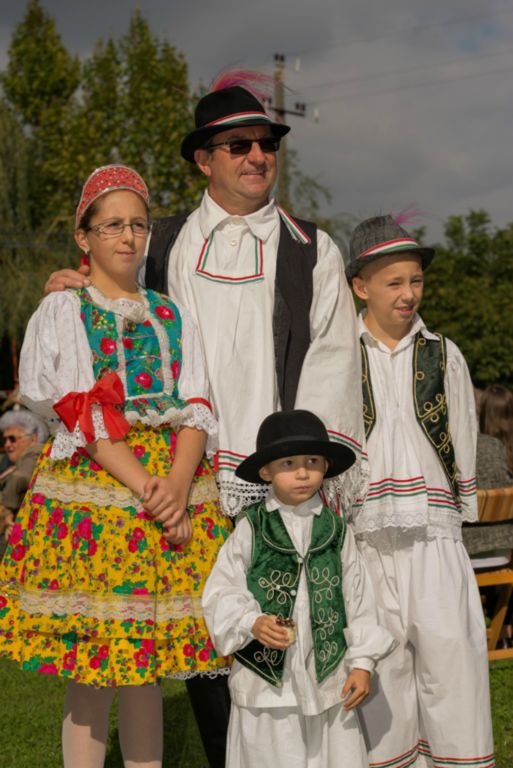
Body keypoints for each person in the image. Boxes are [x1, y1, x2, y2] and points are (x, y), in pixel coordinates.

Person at [43, 81, 365, 764]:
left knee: (290, 642)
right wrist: (71, 282)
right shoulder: (160, 241)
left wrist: (302, 467)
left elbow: (333, 365)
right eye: (238, 145)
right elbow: (114, 299)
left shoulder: (312, 250)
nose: (257, 155)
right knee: (205, 640)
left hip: (278, 478)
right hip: (180, 478)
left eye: (267, 143)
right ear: (203, 159)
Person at [0, 164, 232, 768]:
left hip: (170, 488)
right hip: (98, 489)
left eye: (138, 225)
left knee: (144, 666)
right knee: (94, 667)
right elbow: (79, 410)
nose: (128, 237)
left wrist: (175, 487)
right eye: (112, 226)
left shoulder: (171, 313)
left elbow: (196, 405)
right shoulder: (65, 309)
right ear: (84, 237)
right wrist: (149, 487)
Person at [345, 215, 495, 768]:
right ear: (360, 286)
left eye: (416, 281)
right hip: (366, 536)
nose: (408, 294)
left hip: (433, 532)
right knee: (381, 674)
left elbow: (462, 432)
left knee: (451, 665)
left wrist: (460, 509)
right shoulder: (341, 353)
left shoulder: (443, 354)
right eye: (394, 282)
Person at [202, 409, 395, 768]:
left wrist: (362, 663)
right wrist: (251, 621)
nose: (303, 473)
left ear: (326, 466)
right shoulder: (251, 528)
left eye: (312, 461)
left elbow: (359, 598)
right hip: (267, 686)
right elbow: (222, 590)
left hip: (328, 681)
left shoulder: (337, 531)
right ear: (266, 472)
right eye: (288, 463)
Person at [0, 409, 48, 553]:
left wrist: (7, 512)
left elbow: (19, 479)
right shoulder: (16, 463)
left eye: (12, 439)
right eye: (4, 440)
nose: (7, 444)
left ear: (33, 439)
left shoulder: (34, 453)